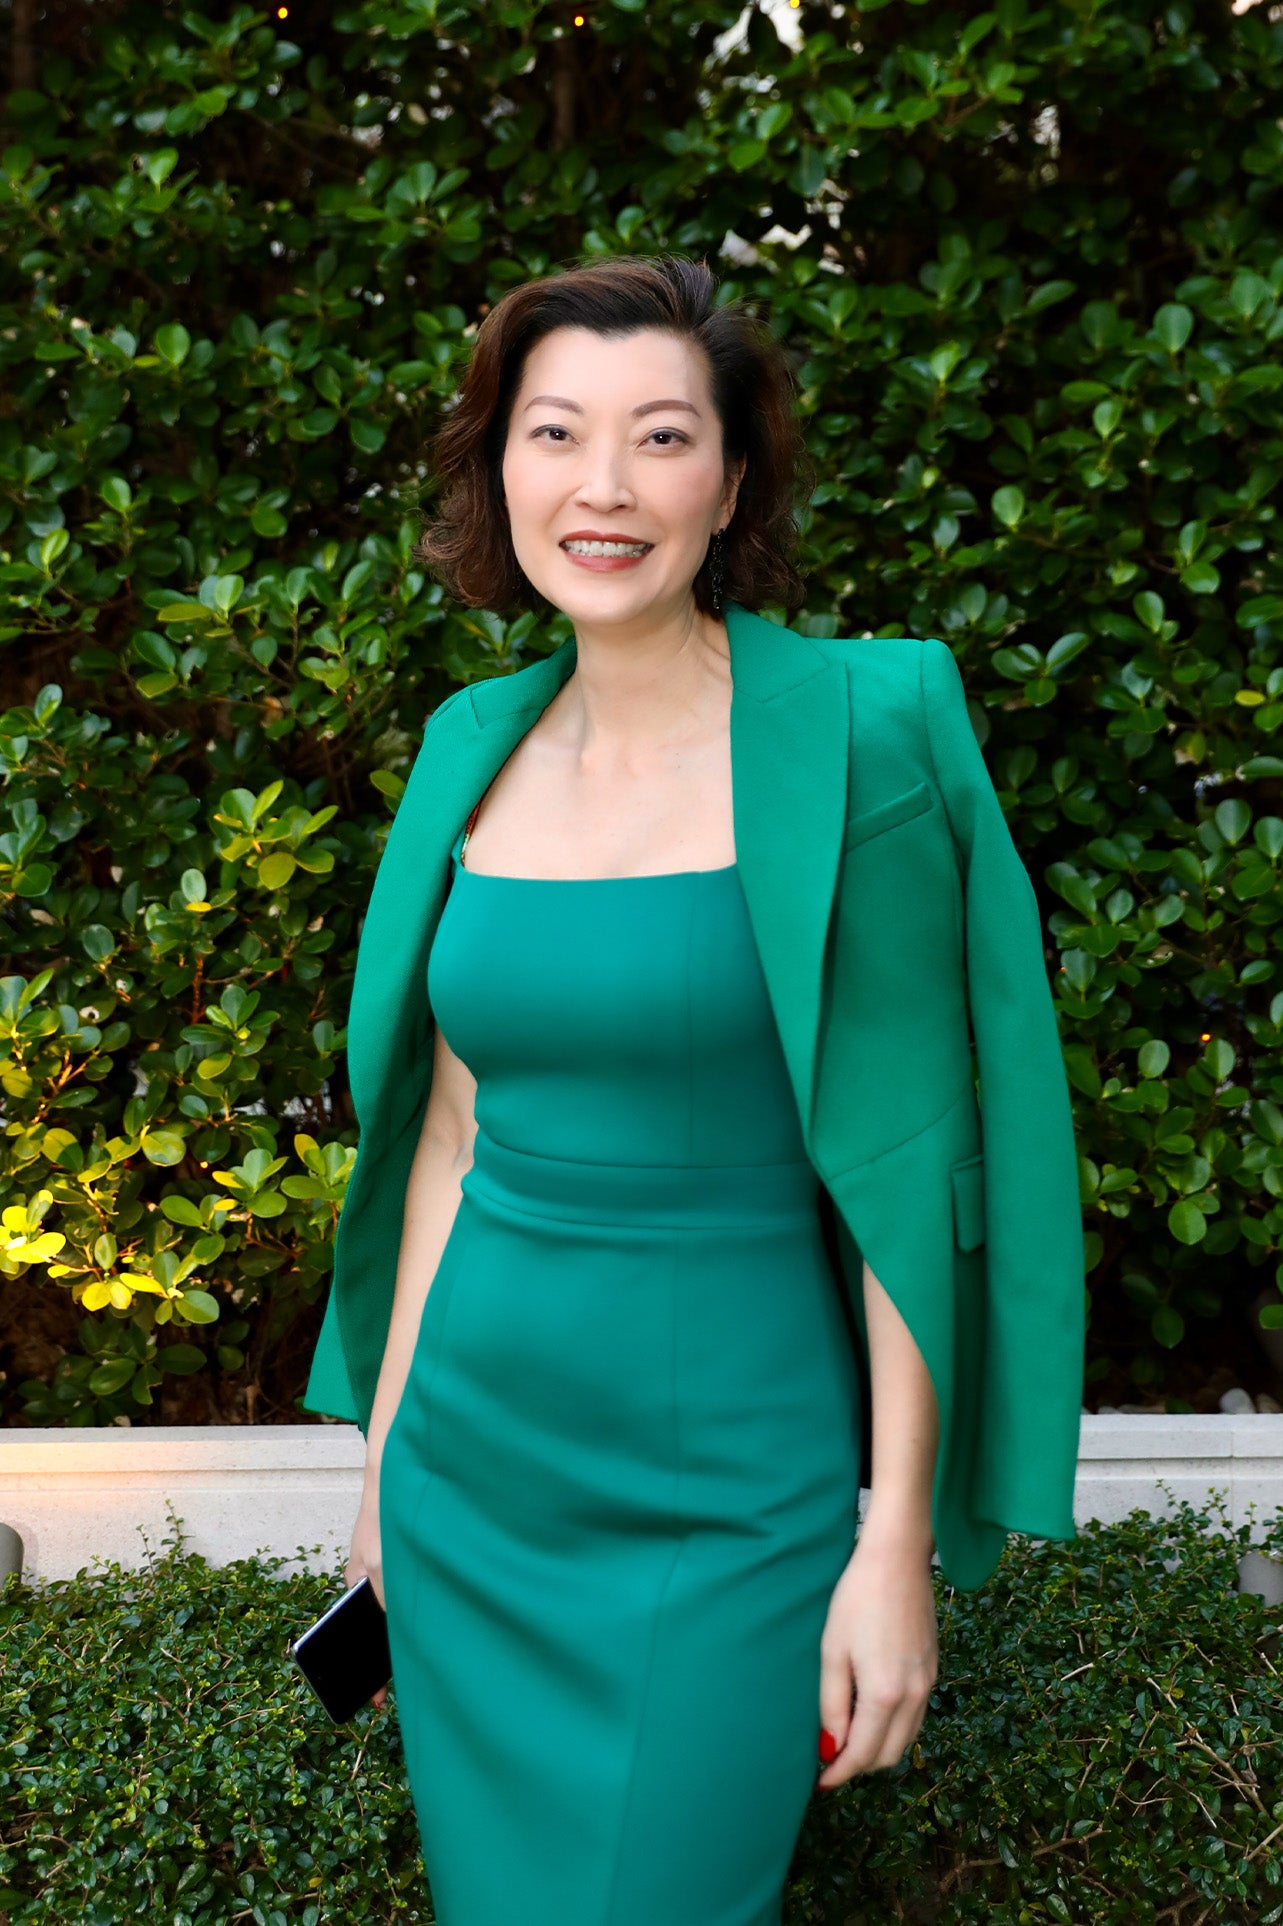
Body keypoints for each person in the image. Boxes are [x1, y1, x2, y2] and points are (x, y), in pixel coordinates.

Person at [301, 253, 1084, 1926]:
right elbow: (445, 1139)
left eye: (661, 438)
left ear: (732, 481)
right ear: (496, 465)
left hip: (727, 1487)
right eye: (554, 432)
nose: (602, 486)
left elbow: (904, 1158)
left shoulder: (864, 730)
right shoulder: (468, 745)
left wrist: (891, 1546)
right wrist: (380, 1466)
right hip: (468, 1483)